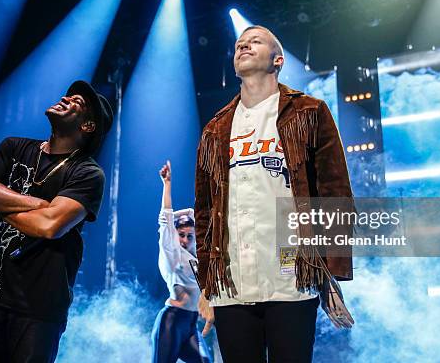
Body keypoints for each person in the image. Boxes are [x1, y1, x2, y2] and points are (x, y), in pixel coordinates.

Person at [194, 25, 354, 363]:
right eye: (239, 44)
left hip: (292, 275)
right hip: (231, 283)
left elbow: (335, 191)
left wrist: (331, 273)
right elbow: (205, 211)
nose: (244, 46)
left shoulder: (309, 111)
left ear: (277, 60)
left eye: (255, 42)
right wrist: (207, 284)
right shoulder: (215, 128)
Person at [0, 80, 113, 362]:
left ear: (88, 126)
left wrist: (0, 202)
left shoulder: (88, 173)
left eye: (77, 103)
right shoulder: (14, 147)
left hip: (38, 309)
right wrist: (39, 205)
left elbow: (50, 226)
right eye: (68, 96)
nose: (67, 99)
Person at [151, 160, 212, 363]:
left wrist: (189, 215)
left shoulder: (196, 258)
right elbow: (166, 219)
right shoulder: (172, 252)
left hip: (191, 324)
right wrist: (167, 185)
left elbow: (197, 220)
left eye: (189, 236)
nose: (185, 239)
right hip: (172, 321)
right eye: (181, 235)